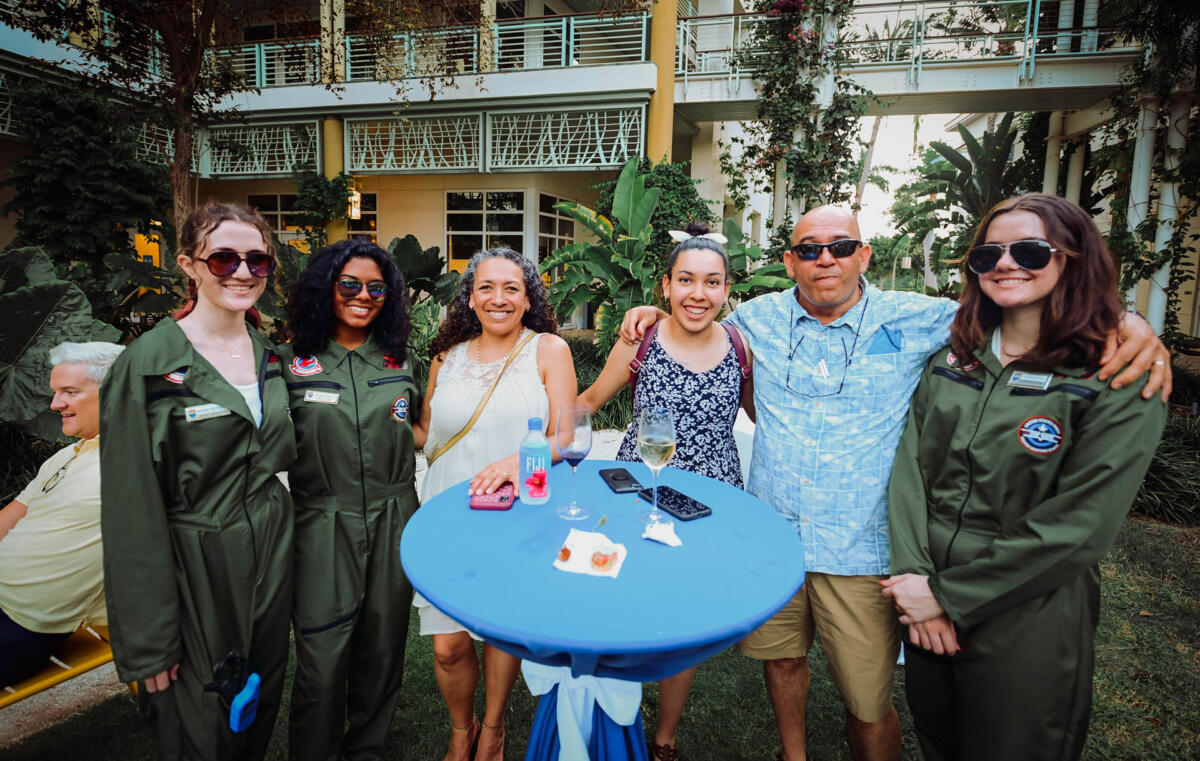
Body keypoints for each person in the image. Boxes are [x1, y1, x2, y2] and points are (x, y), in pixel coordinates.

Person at [619, 205, 1170, 761]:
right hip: (776, 538)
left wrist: (1127, 323)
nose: (825, 259)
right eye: (809, 250)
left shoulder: (921, 318)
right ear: (789, 262)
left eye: (840, 247)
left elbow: (1016, 306)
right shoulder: (756, 320)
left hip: (858, 547)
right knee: (782, 661)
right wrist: (650, 314)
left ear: (864, 255)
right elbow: (696, 317)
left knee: (867, 699)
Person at [883, 194, 1166, 761]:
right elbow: (909, 471)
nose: (1006, 264)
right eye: (989, 255)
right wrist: (915, 576)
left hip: (1029, 604)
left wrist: (945, 598)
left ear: (1073, 258)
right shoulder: (952, 361)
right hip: (926, 585)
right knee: (938, 736)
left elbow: (1080, 528)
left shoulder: (1115, 375)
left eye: (1031, 251)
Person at [100, 202, 296, 761]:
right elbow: (129, 509)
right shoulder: (146, 365)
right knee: (200, 723)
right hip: (194, 561)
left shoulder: (269, 355)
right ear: (189, 265)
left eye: (257, 260)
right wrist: (149, 641)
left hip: (268, 551)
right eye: (224, 259)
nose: (243, 272)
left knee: (255, 701)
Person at [578, 223, 753, 760]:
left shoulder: (742, 346)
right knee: (628, 605)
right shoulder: (642, 338)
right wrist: (535, 434)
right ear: (666, 285)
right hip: (638, 495)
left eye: (712, 282)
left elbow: (765, 415)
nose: (698, 294)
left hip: (709, 504)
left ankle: (664, 738)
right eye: (686, 280)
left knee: (684, 616)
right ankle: (619, 720)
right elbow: (588, 402)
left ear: (726, 289)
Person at [411, 246, 576, 761]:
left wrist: (517, 461)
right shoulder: (446, 358)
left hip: (516, 513)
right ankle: (461, 728)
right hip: (447, 513)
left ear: (528, 300)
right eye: (486, 287)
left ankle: (493, 727)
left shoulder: (548, 350)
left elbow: (566, 436)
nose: (498, 298)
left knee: (500, 631)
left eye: (511, 288)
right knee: (448, 643)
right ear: (470, 298)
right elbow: (424, 432)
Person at [281, 240, 421, 761]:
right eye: (350, 285)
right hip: (322, 518)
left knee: (383, 646)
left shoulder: (401, 360)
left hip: (394, 513)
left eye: (377, 288)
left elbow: (421, 427)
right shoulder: (288, 363)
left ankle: (367, 748)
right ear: (326, 287)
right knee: (322, 652)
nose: (363, 296)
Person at [0, 341, 123, 684]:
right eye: (56, 392)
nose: (55, 404)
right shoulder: (65, 457)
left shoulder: (139, 457)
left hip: (20, 626)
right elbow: (9, 518)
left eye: (70, 392)